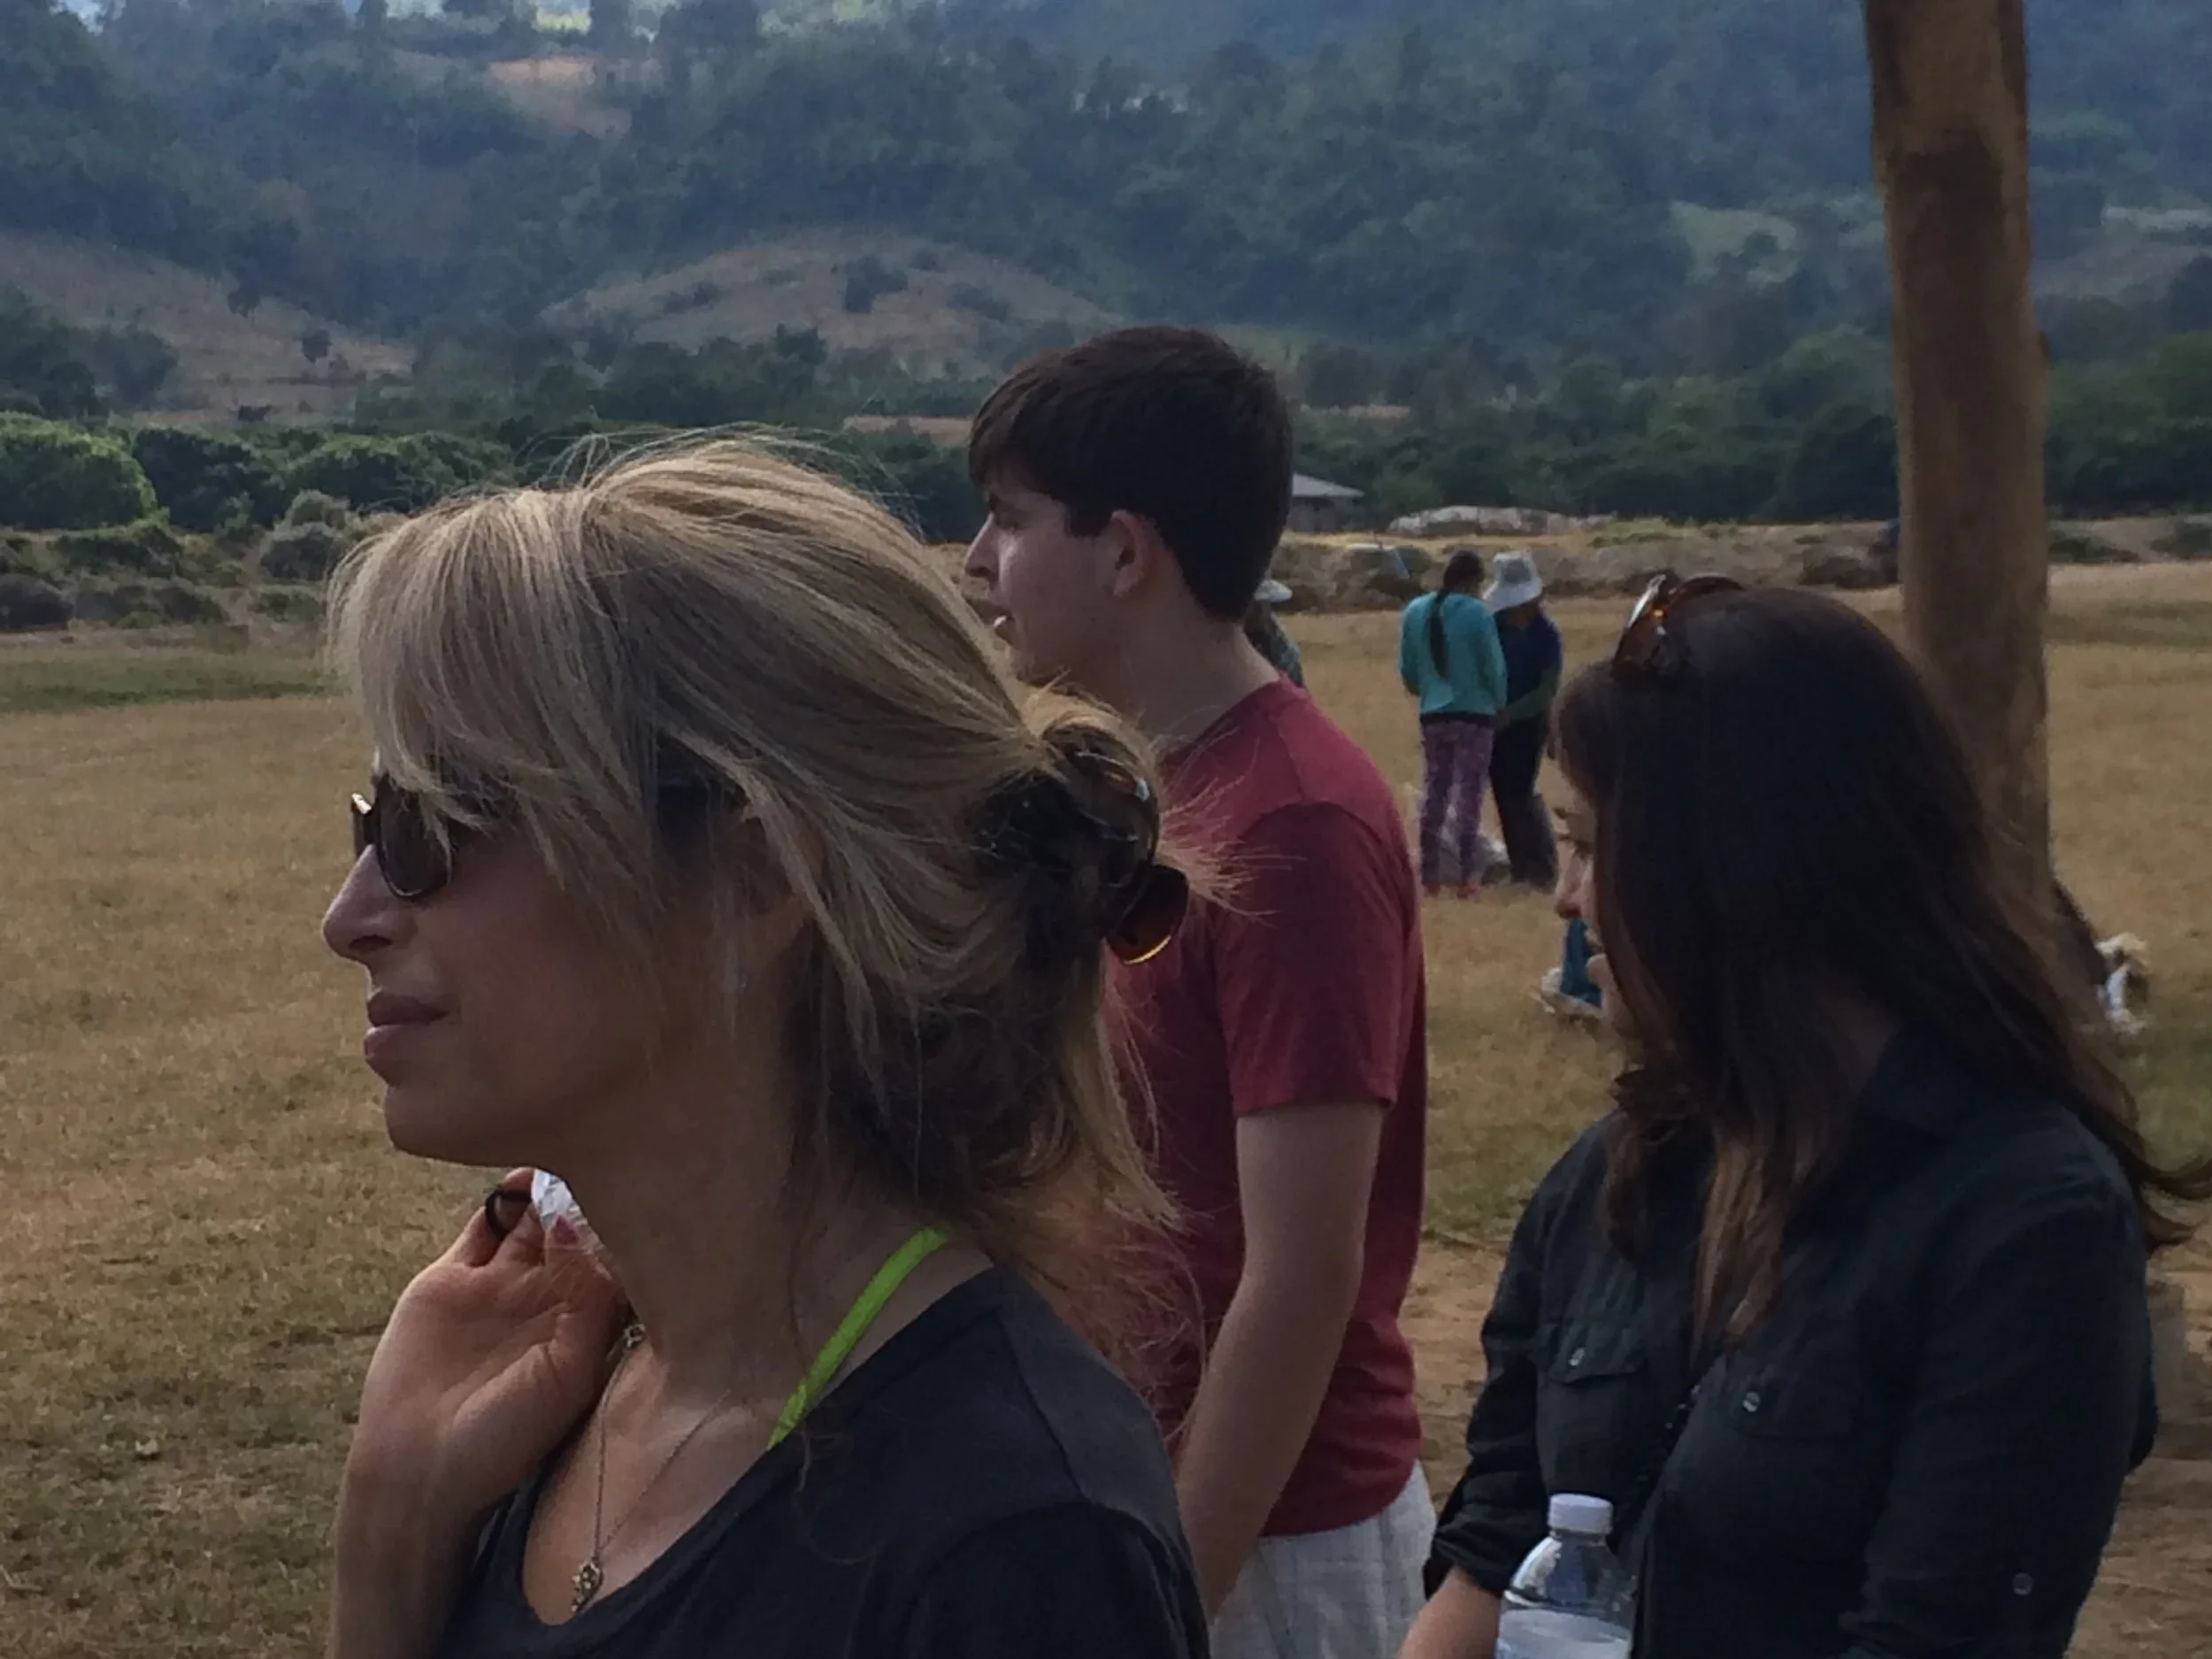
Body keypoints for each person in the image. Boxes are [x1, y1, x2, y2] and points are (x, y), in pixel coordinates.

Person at [319, 442, 1210, 1659]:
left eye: (431, 821)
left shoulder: (1016, 1539)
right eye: (374, 818)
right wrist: (393, 1531)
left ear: (755, 871)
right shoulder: (589, 1393)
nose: (351, 914)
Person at [1404, 578, 2212, 1659]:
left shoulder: (2025, 1226)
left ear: (1734, 865)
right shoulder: (1614, 1177)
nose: (1568, 899)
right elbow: (1495, 1550)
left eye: (1592, 847)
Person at [966, 326, 1432, 1659]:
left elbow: (1301, 1268)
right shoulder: (1122, 791)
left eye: (1010, 519)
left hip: (1262, 1542)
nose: (981, 563)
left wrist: (1169, 1588)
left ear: (1126, 552)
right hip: (1127, 1491)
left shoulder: (1293, 823)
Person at [1399, 551, 1509, 900]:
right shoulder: (1477, 613)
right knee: (1469, 793)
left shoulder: (1415, 611)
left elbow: (1409, 671)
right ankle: (1466, 876)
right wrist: (1499, 700)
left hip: (1433, 713)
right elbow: (1492, 665)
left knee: (1435, 789)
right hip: (1474, 714)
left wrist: (1427, 689)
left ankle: (1430, 876)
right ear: (1473, 582)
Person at [1482, 553, 1562, 888]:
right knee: (1502, 792)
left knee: (1520, 792)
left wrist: (1512, 714)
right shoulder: (1495, 628)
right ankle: (1520, 864)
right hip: (1495, 722)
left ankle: (1541, 866)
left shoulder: (1546, 634)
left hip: (1528, 724)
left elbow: (1547, 688)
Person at [1245, 576, 1307, 687]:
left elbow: (1297, 688)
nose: (1260, 611)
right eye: (1254, 605)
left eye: (1264, 603)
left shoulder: (1279, 644)